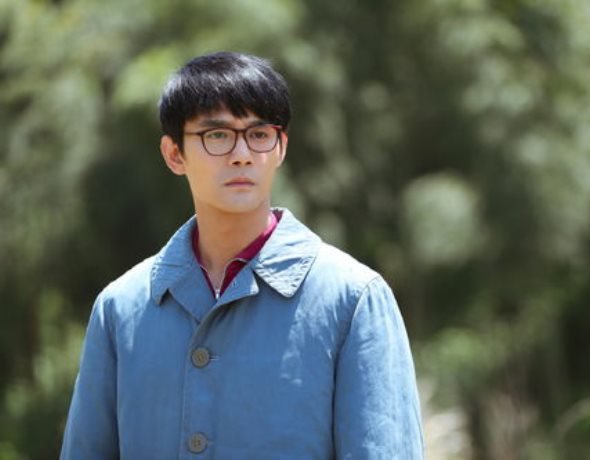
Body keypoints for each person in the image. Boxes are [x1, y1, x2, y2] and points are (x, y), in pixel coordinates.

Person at [61, 51, 423, 459]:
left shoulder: (352, 299)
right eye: (217, 135)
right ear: (174, 154)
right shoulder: (120, 307)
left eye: (259, 134)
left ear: (281, 147)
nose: (242, 154)